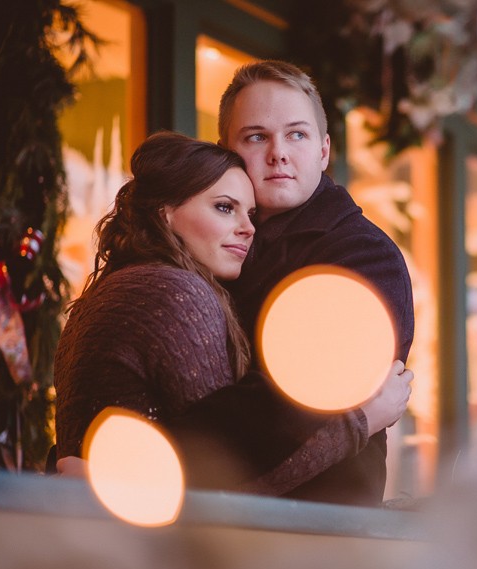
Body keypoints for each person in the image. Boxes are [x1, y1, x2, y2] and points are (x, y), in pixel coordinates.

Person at [54, 131, 411, 494]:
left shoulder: (106, 292)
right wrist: (361, 420)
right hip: (142, 539)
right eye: (225, 207)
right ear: (165, 214)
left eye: (251, 213)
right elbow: (223, 479)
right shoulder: (177, 294)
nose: (248, 228)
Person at [211, 59, 416, 505]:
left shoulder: (363, 255)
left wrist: (165, 434)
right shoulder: (211, 243)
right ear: (227, 151)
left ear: (324, 151)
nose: (278, 152)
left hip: (317, 528)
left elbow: (291, 406)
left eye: (296, 134)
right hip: (214, 526)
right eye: (256, 136)